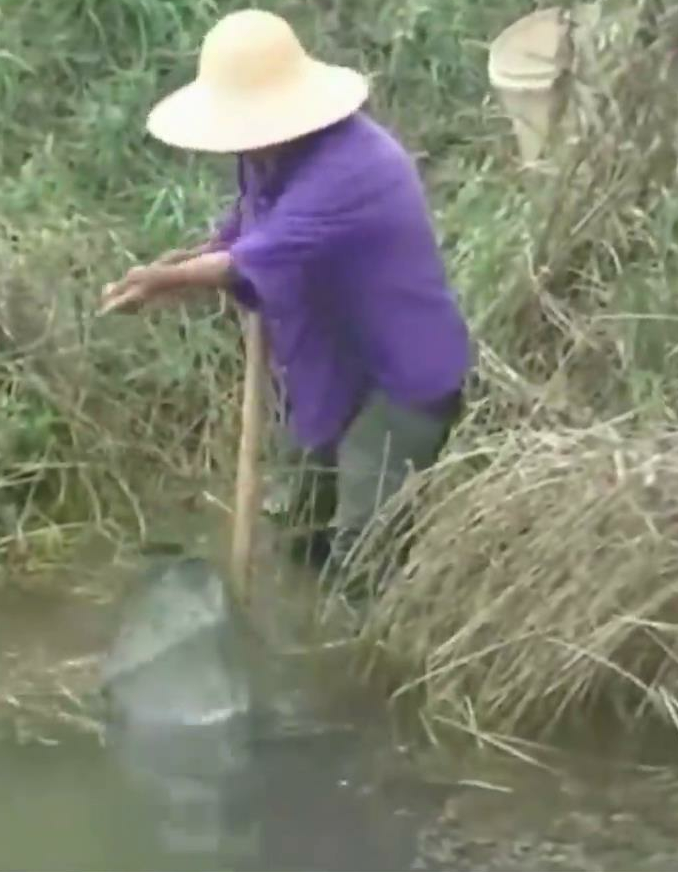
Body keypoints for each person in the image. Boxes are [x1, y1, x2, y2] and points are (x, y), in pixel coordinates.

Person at [100, 8, 471, 598]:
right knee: (300, 529)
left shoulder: (355, 167)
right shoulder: (265, 154)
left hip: (397, 376)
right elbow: (242, 232)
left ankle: (352, 666)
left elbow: (253, 255)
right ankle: (293, 626)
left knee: (364, 548)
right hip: (329, 363)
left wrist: (166, 281)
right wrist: (184, 261)